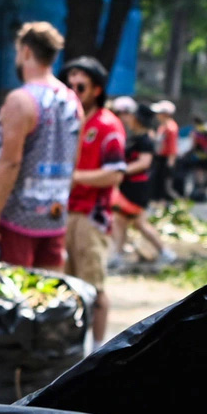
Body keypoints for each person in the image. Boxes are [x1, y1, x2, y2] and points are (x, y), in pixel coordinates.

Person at [0, 22, 78, 270]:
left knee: (15, 294)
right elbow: (74, 158)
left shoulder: (21, 100)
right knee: (47, 295)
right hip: (56, 214)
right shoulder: (71, 99)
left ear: (25, 52)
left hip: (19, 218)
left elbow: (10, 161)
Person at [59, 57, 129, 343]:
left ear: (97, 89)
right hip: (64, 214)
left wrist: (75, 178)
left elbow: (115, 175)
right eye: (69, 84)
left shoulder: (108, 126)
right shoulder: (68, 121)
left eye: (81, 85)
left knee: (94, 287)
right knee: (67, 288)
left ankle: (98, 349)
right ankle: (74, 349)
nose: (73, 89)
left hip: (91, 216)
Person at [109, 96, 171, 265]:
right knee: (120, 221)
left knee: (139, 223)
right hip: (129, 186)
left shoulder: (145, 140)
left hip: (137, 188)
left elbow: (144, 162)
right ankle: (117, 255)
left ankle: (165, 252)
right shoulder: (137, 137)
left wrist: (120, 171)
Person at [150, 99, 180, 203]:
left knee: (165, 188)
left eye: (160, 113)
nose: (157, 115)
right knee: (157, 185)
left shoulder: (171, 127)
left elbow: (172, 146)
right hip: (159, 158)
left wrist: (170, 164)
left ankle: (176, 204)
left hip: (166, 160)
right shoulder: (163, 126)